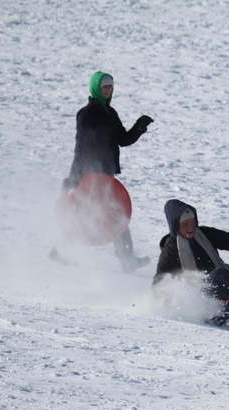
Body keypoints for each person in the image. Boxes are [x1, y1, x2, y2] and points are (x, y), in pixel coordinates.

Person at [50, 71, 154, 272]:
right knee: (112, 213)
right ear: (96, 88)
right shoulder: (87, 114)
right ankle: (126, 259)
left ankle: (60, 251)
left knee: (97, 212)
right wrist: (76, 175)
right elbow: (80, 145)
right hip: (91, 173)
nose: (108, 90)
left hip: (106, 174)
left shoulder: (110, 113)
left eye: (110, 86)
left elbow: (123, 140)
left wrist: (139, 127)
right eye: (104, 86)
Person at [153, 200, 229, 293]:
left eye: (192, 221)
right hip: (202, 292)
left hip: (225, 282)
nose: (191, 226)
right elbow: (159, 281)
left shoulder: (204, 233)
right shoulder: (170, 250)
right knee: (218, 274)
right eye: (185, 224)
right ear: (175, 226)